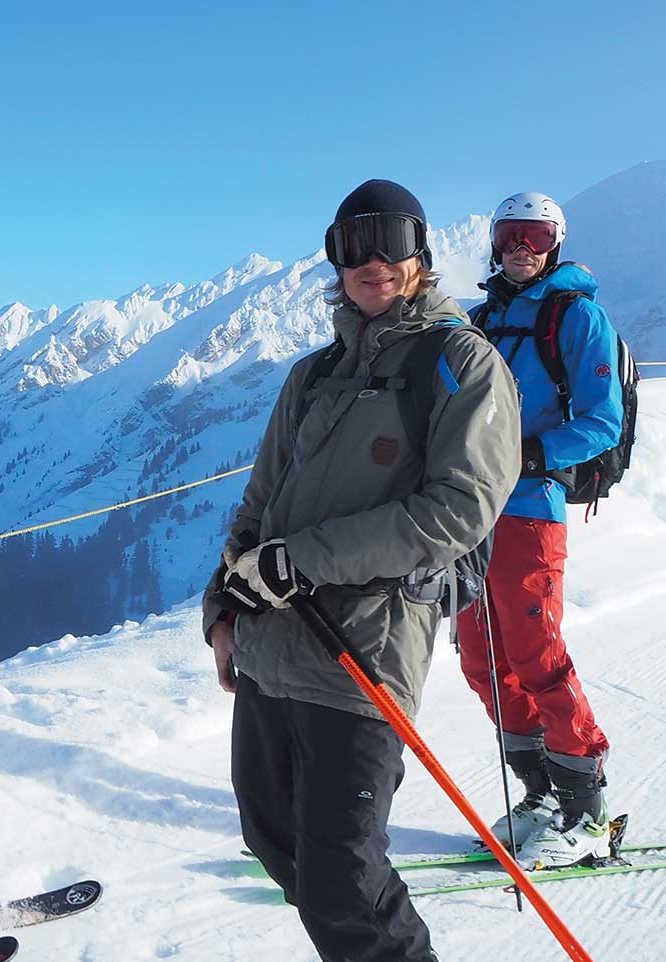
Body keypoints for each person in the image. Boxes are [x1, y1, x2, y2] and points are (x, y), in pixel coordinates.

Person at [202, 180, 520, 962]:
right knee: (279, 845)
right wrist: (223, 607)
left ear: (421, 253)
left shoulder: (458, 364)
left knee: (344, 877)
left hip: (362, 657)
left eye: (391, 241)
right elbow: (261, 502)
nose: (372, 261)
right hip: (272, 648)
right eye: (353, 244)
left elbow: (458, 511)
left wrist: (300, 562)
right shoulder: (312, 376)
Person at [458, 192, 624, 868]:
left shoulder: (577, 317)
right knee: (481, 657)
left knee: (536, 653)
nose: (519, 247)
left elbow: (602, 420)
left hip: (530, 506)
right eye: (508, 235)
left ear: (556, 242)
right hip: (468, 510)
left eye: (534, 234)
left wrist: (533, 455)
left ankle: (589, 807)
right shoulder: (479, 320)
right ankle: (539, 795)